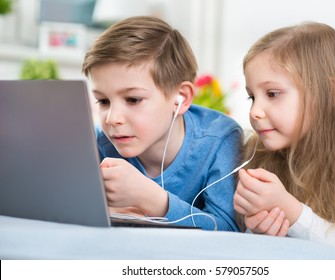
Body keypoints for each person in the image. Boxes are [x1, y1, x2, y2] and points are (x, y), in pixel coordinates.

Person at [233, 21, 335, 255]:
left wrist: (290, 210)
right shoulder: (263, 149)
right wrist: (258, 226)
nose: (255, 111)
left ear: (329, 94)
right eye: (251, 97)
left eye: (272, 94)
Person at [82, 16, 242, 231]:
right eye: (103, 101)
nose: (112, 118)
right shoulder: (97, 140)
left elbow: (228, 230)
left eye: (133, 99)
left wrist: (152, 200)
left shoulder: (219, 139)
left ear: (181, 98)